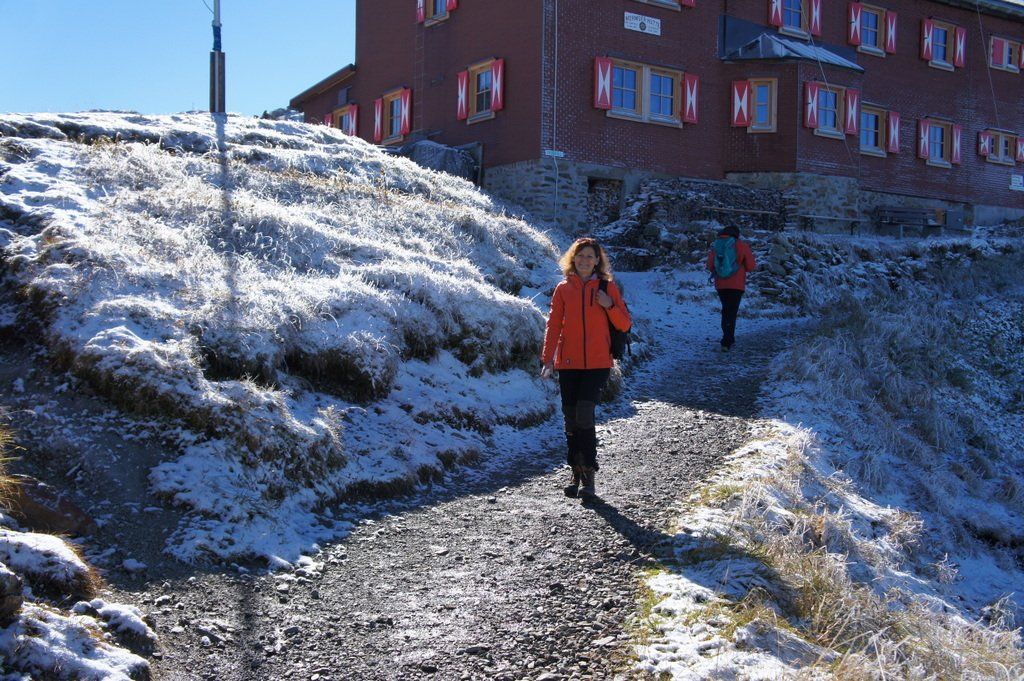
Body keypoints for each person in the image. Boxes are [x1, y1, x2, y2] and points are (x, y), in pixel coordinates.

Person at [541, 238, 631, 500]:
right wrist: (547, 358)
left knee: (583, 415)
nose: (584, 260)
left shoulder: (607, 287)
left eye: (590, 256)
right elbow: (553, 325)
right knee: (570, 419)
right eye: (580, 256)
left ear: (597, 261)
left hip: (598, 363)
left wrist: (609, 305)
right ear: (573, 258)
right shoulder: (563, 289)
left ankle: (589, 475)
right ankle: (576, 471)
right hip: (568, 363)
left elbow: (624, 324)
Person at [706, 225, 756, 352]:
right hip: (737, 285)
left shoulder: (716, 245)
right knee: (732, 311)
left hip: (721, 284)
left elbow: (710, 265)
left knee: (726, 309)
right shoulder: (741, 245)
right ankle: (727, 341)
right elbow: (751, 266)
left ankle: (729, 338)